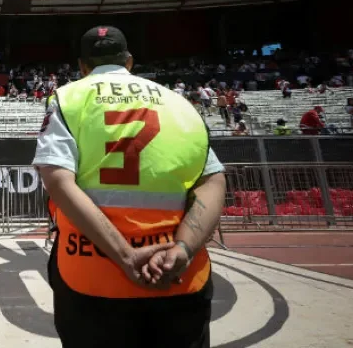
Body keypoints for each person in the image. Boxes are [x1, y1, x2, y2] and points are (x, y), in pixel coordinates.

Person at [33, 26, 226, 348]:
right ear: (129, 61)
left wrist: (125, 256)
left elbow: (56, 178)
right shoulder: (178, 102)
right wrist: (182, 249)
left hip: (91, 272)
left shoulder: (68, 98)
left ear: (82, 66)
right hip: (177, 272)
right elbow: (213, 180)